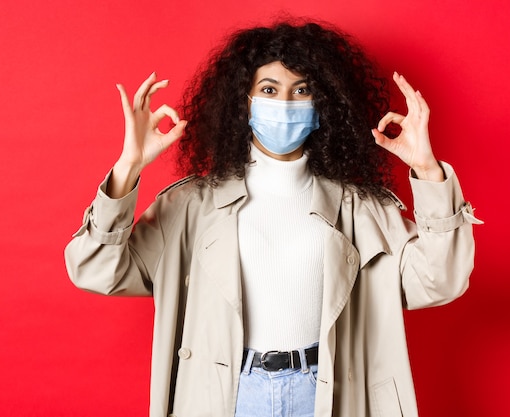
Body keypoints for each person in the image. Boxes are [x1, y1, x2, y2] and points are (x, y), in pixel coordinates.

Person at [65, 20, 481, 417]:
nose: (284, 103)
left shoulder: (362, 208)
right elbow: (96, 270)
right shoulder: (191, 206)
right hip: (228, 394)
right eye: (268, 88)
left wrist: (428, 172)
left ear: (323, 106)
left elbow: (440, 281)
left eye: (301, 90)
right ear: (243, 104)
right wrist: (128, 168)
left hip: (329, 392)